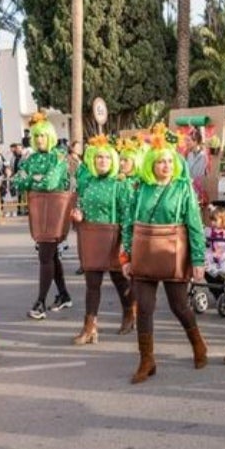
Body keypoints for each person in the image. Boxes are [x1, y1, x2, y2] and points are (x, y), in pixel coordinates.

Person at [122, 125, 208, 383]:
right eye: (160, 162)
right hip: (144, 254)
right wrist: (125, 256)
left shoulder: (183, 188)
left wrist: (198, 260)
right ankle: (146, 360)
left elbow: (195, 225)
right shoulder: (141, 187)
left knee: (179, 306)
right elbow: (128, 223)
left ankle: (198, 344)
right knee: (144, 307)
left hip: (174, 253)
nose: (166, 166)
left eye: (170, 161)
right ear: (151, 164)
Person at [69, 136, 135, 344]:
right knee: (92, 283)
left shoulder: (120, 184)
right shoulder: (88, 183)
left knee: (119, 279)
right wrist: (79, 215)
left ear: (113, 160)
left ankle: (129, 312)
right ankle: (90, 327)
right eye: (98, 157)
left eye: (107, 157)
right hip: (92, 237)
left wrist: (126, 243)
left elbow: (127, 216)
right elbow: (81, 207)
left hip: (113, 237)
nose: (103, 161)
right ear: (92, 160)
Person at [13, 114, 72, 319]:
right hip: (39, 211)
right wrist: (33, 179)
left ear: (51, 137)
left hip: (55, 211)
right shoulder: (31, 159)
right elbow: (17, 182)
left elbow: (50, 183)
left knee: (45, 255)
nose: (39, 140)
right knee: (52, 254)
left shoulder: (59, 157)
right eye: (36, 136)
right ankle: (64, 294)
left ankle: (40, 303)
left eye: (43, 136)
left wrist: (31, 180)